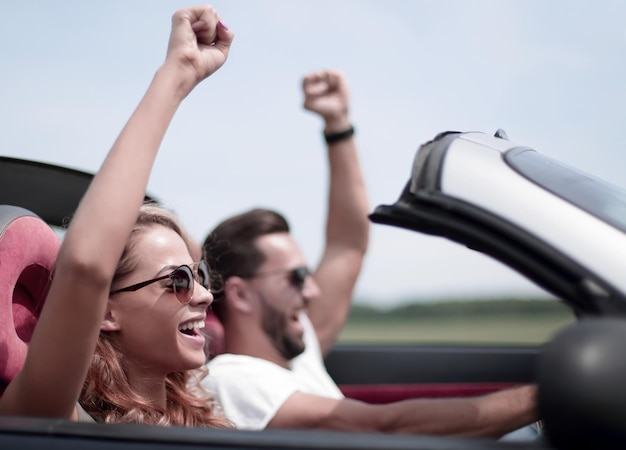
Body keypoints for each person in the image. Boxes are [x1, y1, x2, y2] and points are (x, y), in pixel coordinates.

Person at [200, 70, 539, 437]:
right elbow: (381, 427)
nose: (311, 290)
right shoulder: (232, 380)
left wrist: (337, 125)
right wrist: (551, 397)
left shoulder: (299, 346)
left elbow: (348, 245)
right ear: (239, 294)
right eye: (297, 277)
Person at [0, 5, 235, 427]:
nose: (203, 295)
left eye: (197, 275)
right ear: (105, 312)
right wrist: (178, 74)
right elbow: (87, 266)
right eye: (177, 280)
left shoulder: (207, 415)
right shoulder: (57, 416)